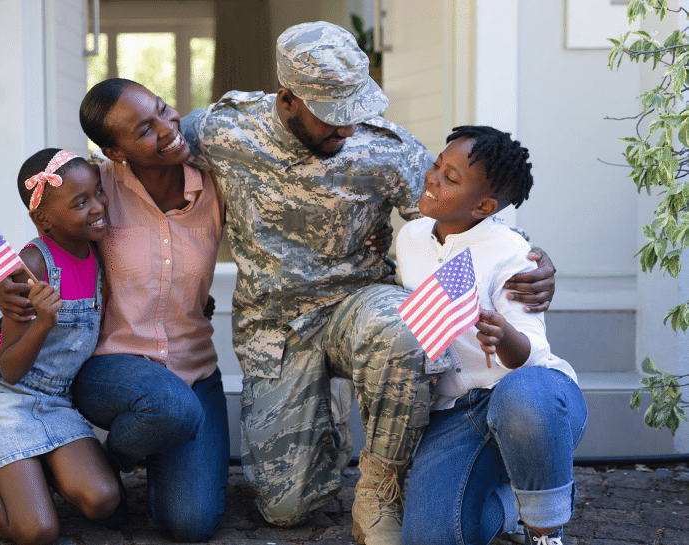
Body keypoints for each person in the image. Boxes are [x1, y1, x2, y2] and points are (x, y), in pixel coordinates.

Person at [181, 20, 557, 545]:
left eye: (355, 112)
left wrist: (532, 260)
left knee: (407, 327)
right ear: (287, 100)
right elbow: (143, 151)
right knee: (287, 509)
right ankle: (322, 425)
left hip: (358, 306)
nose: (348, 130)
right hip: (276, 326)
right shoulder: (222, 130)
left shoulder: (385, 149)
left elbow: (469, 216)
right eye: (333, 118)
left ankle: (381, 492)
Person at [0, 78, 393, 542]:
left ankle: (140, 453)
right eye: (144, 130)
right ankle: (109, 459)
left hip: (194, 369)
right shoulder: (99, 186)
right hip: (112, 367)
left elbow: (298, 209)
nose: (167, 128)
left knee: (192, 523)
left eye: (163, 109)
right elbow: (37, 214)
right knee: (169, 407)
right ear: (116, 152)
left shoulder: (218, 183)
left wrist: (368, 234)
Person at [397, 126, 586, 545]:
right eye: (436, 165)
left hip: (528, 401)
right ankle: (506, 508)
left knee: (523, 394)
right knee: (428, 538)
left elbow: (532, 355)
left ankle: (545, 530)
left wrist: (504, 337)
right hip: (456, 412)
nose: (433, 178)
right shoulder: (410, 237)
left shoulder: (511, 252)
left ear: (483, 205)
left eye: (451, 178)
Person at [0, 149, 122, 545]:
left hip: (53, 400)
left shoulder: (99, 249)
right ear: (43, 219)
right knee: (36, 531)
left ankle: (31, 470)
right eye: (81, 202)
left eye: (99, 193)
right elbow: (10, 369)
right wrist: (43, 321)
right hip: (3, 398)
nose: (98, 206)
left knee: (104, 500)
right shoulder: (33, 265)